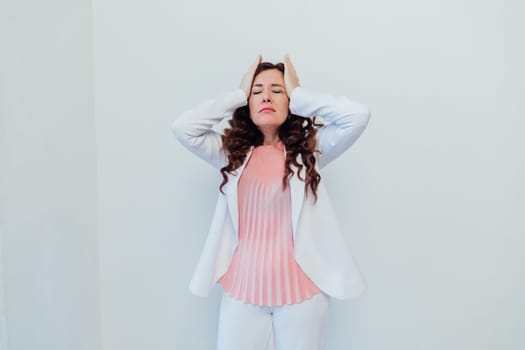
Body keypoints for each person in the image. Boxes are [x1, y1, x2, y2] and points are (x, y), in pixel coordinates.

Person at [171, 54, 371, 350]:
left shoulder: (309, 151)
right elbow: (182, 127)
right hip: (242, 291)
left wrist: (301, 94)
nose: (266, 96)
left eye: (278, 90)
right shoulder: (231, 154)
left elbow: (358, 116)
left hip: (302, 294)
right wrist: (236, 95)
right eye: (257, 91)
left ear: (290, 100)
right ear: (246, 103)